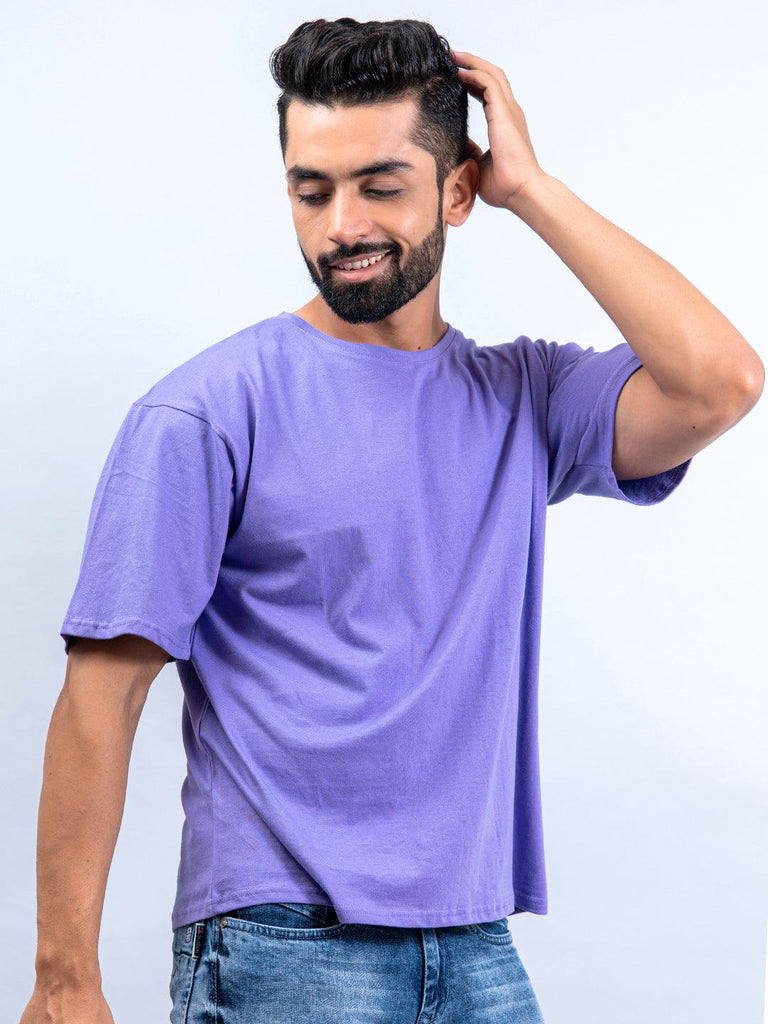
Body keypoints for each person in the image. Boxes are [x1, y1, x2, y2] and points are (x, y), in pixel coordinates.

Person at [21, 16, 763, 1024]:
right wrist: (65, 980)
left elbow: (721, 382)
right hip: (281, 945)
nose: (341, 226)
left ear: (457, 189)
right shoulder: (204, 413)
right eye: (311, 189)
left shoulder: (524, 400)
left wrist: (531, 189)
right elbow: (101, 698)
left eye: (380, 186)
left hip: (477, 945)